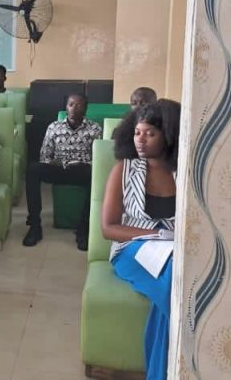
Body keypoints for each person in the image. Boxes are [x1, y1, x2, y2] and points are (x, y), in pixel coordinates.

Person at [101, 99, 181, 380]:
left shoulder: (183, 172)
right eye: (137, 132)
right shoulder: (125, 169)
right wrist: (156, 235)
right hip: (131, 249)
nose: (141, 140)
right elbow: (108, 228)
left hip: (175, 250)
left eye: (150, 134)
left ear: (168, 136)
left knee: (169, 297)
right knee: (175, 281)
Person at [23, 93, 102, 249]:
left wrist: (86, 164)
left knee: (96, 176)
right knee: (33, 169)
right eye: (71, 104)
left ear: (85, 109)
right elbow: (44, 155)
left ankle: (83, 229)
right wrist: (52, 162)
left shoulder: (95, 129)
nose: (74, 108)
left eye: (79, 105)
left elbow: (99, 158)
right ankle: (35, 226)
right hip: (58, 169)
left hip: (81, 171)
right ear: (66, 107)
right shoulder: (54, 127)